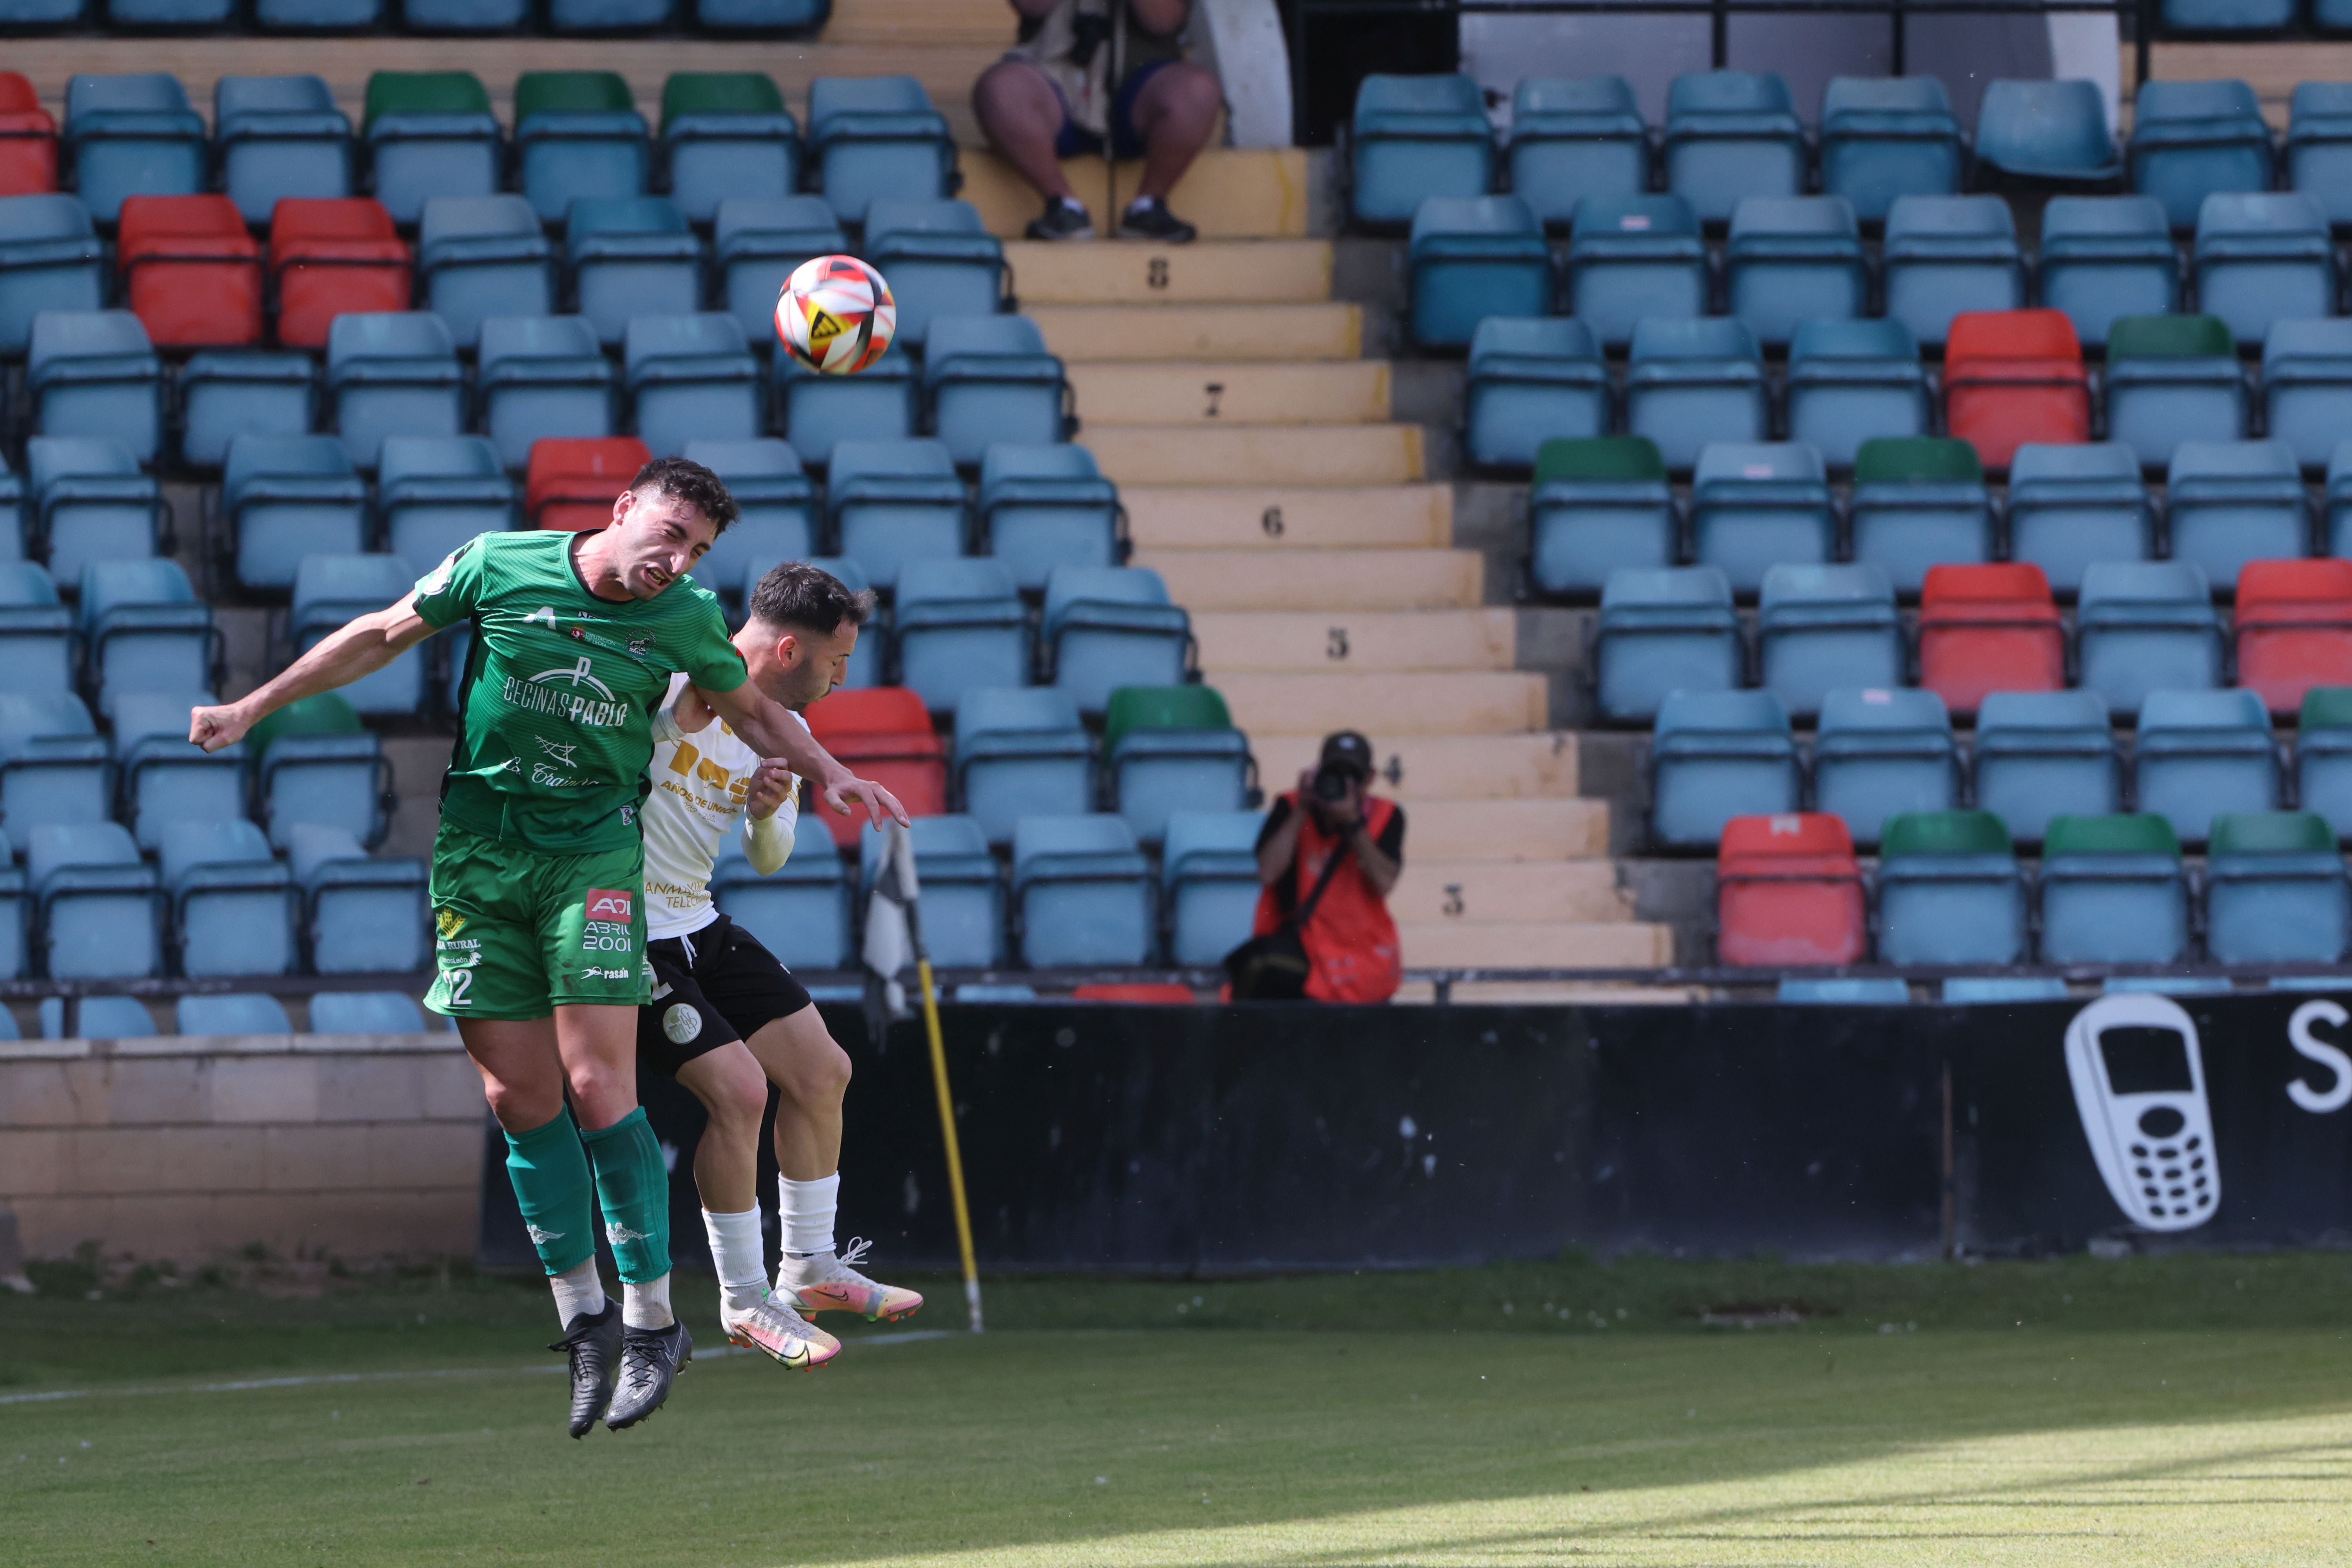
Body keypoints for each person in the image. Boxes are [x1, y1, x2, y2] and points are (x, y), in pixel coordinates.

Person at [187, 458, 908, 1439]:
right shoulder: (499, 565)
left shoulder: (688, 622)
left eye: (698, 548)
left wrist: (827, 772)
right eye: (671, 532)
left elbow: (753, 711)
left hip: (598, 858)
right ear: (622, 509)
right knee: (517, 1098)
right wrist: (251, 706)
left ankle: (668, 1318)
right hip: (480, 856)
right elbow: (378, 634)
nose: (678, 558)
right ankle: (586, 1322)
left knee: (610, 1085)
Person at [637, 561, 924, 1376]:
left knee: (824, 1069)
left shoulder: (782, 733)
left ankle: (810, 1266)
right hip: (632, 931)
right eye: (836, 663)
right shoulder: (676, 685)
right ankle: (742, 1296)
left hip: (698, 915)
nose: (840, 680)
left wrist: (765, 814)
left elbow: (770, 858)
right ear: (791, 648)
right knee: (741, 1091)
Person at [973, 0, 1223, 242]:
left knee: (1198, 91)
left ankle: (1148, 206)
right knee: (999, 90)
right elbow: (1032, 6)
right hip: (1052, 85)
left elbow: (1162, 20)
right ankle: (1062, 205)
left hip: (1139, 93)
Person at [1253, 731, 1406, 1003]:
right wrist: (1302, 810)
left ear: (1370, 779)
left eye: (1354, 777)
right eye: (1335, 773)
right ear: (1318, 772)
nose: (1344, 785)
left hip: (1361, 956)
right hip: (1302, 956)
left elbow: (1385, 882)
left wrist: (1353, 824)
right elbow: (1267, 873)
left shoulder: (1387, 815)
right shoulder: (1290, 806)